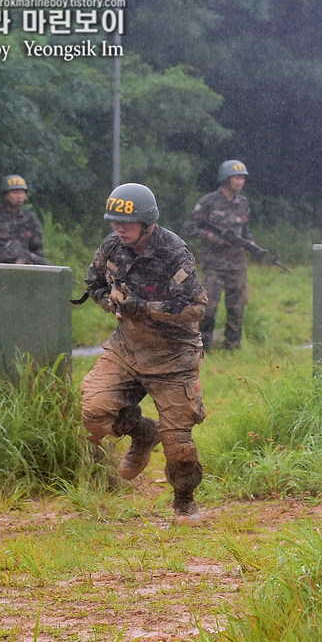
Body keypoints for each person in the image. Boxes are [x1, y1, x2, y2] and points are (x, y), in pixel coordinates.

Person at [80, 182, 210, 524]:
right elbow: (93, 284)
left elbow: (196, 307)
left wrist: (146, 308)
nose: (119, 229)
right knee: (94, 412)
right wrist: (110, 303)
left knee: (179, 446)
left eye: (128, 223)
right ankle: (142, 433)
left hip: (174, 356)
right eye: (114, 222)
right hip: (128, 348)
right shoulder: (112, 246)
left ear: (148, 223)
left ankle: (184, 500)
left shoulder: (174, 252)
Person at [182, 159, 255, 351]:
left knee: (237, 307)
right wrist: (210, 236)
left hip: (237, 264)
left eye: (242, 178)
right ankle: (203, 346)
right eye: (236, 178)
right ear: (226, 178)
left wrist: (252, 243)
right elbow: (190, 227)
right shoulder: (209, 202)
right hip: (214, 264)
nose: (240, 182)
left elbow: (245, 230)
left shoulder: (243, 203)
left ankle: (232, 347)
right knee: (209, 307)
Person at [0, 175, 49, 264]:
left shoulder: (31, 220)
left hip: (22, 269)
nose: (19, 196)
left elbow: (37, 249)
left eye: (22, 192)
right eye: (15, 192)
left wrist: (25, 259)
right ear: (6, 195)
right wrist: (0, 256)